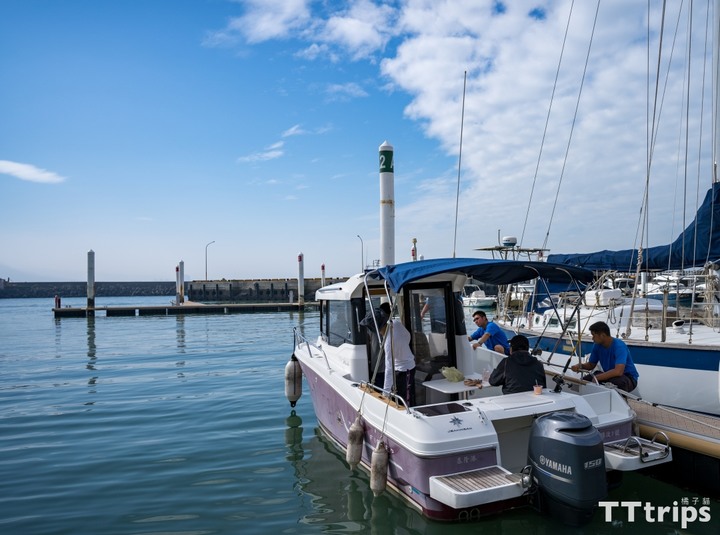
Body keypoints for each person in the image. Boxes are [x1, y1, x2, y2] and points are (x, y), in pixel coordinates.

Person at [361, 303, 416, 405]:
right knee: (403, 396)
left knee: (404, 401)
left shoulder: (388, 342)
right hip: (407, 365)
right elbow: (408, 335)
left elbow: (389, 368)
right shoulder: (395, 323)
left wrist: (385, 393)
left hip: (404, 370)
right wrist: (402, 348)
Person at [570, 321, 639, 392]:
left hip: (628, 377)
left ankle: (620, 400)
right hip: (610, 374)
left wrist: (598, 377)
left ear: (602, 335)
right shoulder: (597, 346)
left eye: (594, 335)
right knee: (584, 382)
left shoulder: (619, 346)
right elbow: (591, 365)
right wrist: (580, 366)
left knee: (618, 383)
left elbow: (618, 371)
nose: (592, 338)